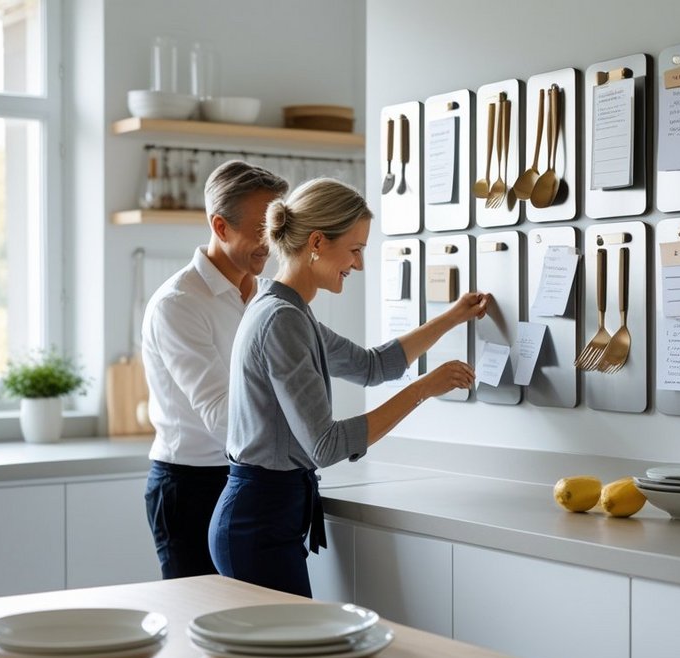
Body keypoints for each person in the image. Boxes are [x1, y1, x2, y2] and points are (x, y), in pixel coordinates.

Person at [209, 177, 489, 597]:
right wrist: (422, 390)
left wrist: (451, 317)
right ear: (318, 242)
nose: (358, 265)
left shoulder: (286, 309)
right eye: (356, 250)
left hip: (268, 516)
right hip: (258, 523)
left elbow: (371, 366)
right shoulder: (282, 320)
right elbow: (325, 445)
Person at [141, 160, 289, 579]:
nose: (270, 243)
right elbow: (223, 418)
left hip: (249, 477)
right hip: (190, 486)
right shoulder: (179, 304)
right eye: (261, 230)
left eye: (276, 229)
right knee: (200, 625)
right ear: (220, 227)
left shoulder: (264, 295)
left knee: (258, 627)